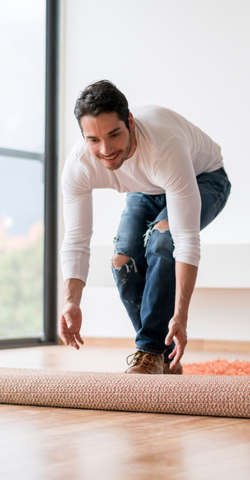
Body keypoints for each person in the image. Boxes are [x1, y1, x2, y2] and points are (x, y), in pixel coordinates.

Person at [59, 80, 231, 374]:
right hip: (145, 188)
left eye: (114, 135)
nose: (106, 149)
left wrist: (180, 316)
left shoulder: (164, 147)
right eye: (94, 140)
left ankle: (150, 351)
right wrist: (71, 302)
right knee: (122, 260)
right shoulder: (79, 165)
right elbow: (76, 238)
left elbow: (185, 240)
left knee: (163, 239)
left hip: (205, 178)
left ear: (130, 122)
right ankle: (162, 355)